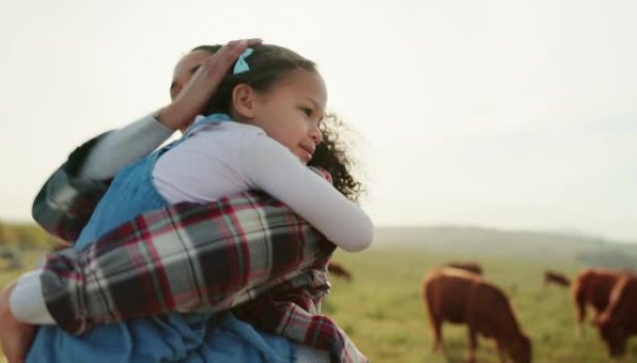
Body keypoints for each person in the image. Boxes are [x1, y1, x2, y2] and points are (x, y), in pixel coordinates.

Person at [0, 40, 370, 363]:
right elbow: (58, 204)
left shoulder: (263, 175)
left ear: (239, 91)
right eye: (176, 88)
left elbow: (168, 264)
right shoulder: (165, 166)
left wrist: (32, 295)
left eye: (206, 72)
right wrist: (171, 117)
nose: (185, 92)